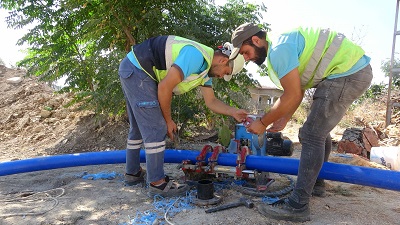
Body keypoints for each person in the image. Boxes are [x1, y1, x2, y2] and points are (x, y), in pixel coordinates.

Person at [230, 23, 373, 222]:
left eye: (246, 52)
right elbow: (298, 90)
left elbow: (293, 94)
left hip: (347, 73)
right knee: (317, 131)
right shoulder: (282, 46)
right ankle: (316, 184)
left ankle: (298, 205)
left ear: (256, 40)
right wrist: (285, 118)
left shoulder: (279, 51)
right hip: (349, 71)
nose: (246, 58)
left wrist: (262, 122)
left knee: (311, 134)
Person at [118, 35, 248, 197]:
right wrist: (168, 120)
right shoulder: (196, 56)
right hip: (138, 70)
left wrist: (233, 111)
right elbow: (165, 87)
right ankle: (157, 183)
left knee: (137, 127)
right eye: (226, 73)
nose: (222, 76)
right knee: (157, 127)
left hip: (132, 69)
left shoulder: (205, 70)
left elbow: (212, 101)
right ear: (223, 61)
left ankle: (133, 173)